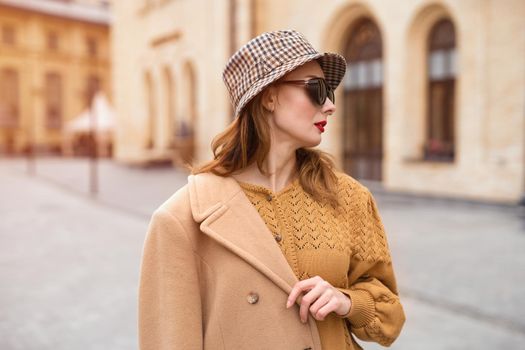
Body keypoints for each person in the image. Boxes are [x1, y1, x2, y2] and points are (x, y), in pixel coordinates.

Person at [138, 29, 405, 350]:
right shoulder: (182, 220)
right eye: (316, 90)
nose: (330, 106)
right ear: (268, 96)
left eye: (330, 92)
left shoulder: (348, 197)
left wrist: (347, 301)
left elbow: (391, 318)